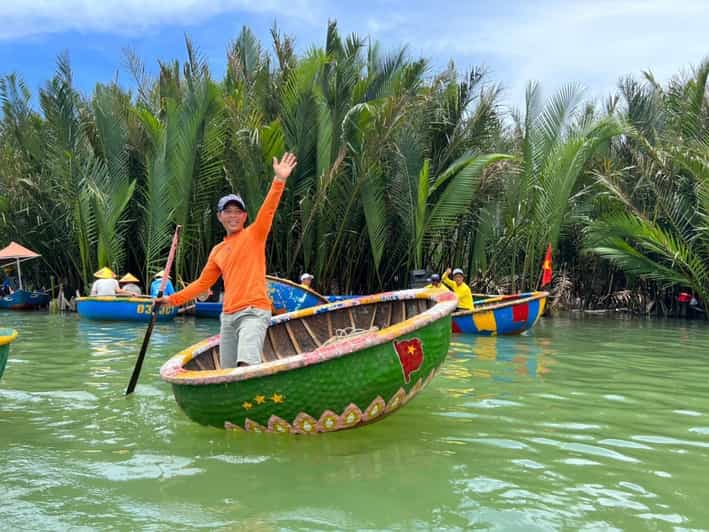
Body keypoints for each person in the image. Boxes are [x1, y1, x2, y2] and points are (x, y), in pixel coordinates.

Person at [154, 152, 297, 368]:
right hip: (228, 317)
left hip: (253, 311)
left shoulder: (254, 234)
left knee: (245, 365)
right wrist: (170, 300)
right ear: (220, 217)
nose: (233, 216)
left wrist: (279, 180)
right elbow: (202, 284)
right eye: (227, 212)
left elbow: (268, 209)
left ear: (245, 217)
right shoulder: (217, 251)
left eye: (237, 212)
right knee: (227, 372)